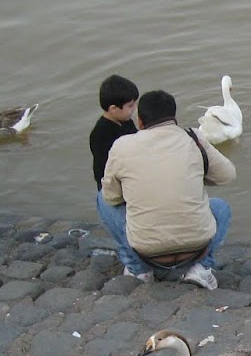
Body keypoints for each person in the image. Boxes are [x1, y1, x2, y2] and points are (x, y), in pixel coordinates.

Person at [101, 88, 235, 289]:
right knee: (221, 207)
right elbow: (227, 175)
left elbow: (112, 198)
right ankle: (201, 268)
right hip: (197, 247)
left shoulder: (122, 146)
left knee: (101, 199)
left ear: (140, 122)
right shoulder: (193, 138)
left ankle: (138, 270)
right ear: (174, 118)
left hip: (146, 251)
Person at [90, 76, 147, 278]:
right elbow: (105, 171)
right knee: (126, 229)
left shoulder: (126, 123)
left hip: (131, 183)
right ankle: (133, 264)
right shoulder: (101, 134)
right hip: (115, 189)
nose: (134, 110)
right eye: (130, 106)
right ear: (114, 109)